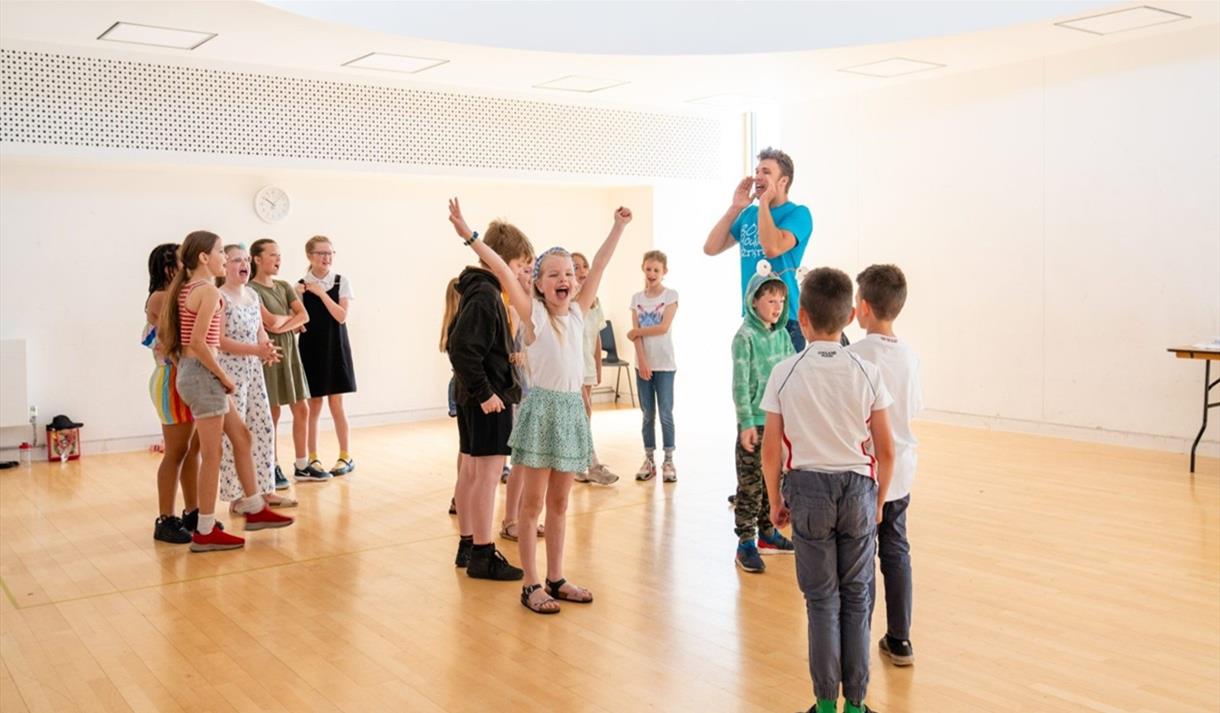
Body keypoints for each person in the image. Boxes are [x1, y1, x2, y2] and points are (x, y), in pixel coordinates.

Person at [449, 197, 631, 614]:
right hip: (542, 413)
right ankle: (531, 584)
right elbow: (498, 266)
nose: (564, 279)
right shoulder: (532, 315)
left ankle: (556, 577)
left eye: (569, 274)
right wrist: (470, 235)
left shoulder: (580, 312)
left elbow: (599, 265)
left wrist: (618, 228)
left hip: (570, 413)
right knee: (531, 506)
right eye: (553, 274)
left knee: (561, 505)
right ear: (539, 284)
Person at [761, 267, 894, 713]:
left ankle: (824, 703)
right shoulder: (868, 370)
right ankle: (856, 705)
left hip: (808, 491)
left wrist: (778, 502)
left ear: (801, 317)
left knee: (821, 602)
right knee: (857, 599)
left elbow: (770, 452)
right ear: (852, 315)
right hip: (858, 491)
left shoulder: (784, 371)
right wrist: (878, 502)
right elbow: (886, 450)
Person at [158, 231, 294, 552]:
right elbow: (199, 343)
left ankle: (254, 506)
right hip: (205, 376)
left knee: (243, 436)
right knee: (213, 454)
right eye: (221, 252)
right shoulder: (207, 292)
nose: (225, 257)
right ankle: (205, 530)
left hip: (200, 375)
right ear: (204, 258)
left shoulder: (191, 288)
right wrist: (224, 377)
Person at [446, 209, 534, 581]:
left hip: (478, 396)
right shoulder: (485, 294)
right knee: (485, 474)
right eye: (521, 265)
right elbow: (462, 347)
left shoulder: (479, 290)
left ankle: (468, 544)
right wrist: (485, 393)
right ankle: (482, 552)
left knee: (471, 470)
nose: (523, 273)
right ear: (500, 261)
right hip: (487, 398)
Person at [846, 264, 922, 668]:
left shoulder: (856, 355)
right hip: (903, 471)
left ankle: (858, 640)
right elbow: (913, 410)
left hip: (866, 472)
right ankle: (900, 639)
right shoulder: (910, 356)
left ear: (864, 307)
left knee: (861, 557)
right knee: (896, 550)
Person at [704, 147, 813, 352]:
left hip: (785, 321)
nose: (758, 177)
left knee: (782, 385)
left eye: (766, 172)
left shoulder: (799, 214)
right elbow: (711, 247)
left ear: (783, 181)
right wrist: (736, 207)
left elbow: (772, 247)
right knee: (752, 384)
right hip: (752, 318)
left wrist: (763, 203)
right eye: (757, 171)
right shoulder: (748, 214)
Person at [217, 244, 295, 509]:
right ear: (224, 265)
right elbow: (220, 341)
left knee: (263, 426)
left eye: (246, 260)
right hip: (230, 374)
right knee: (234, 436)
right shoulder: (220, 297)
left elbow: (260, 329)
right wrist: (255, 349)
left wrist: (266, 349)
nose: (244, 264)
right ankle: (237, 497)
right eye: (237, 260)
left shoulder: (251, 294)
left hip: (254, 370)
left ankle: (265, 490)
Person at [729, 270, 796, 573]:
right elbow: (740, 384)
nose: (777, 306)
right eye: (771, 300)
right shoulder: (744, 338)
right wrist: (745, 423)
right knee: (750, 486)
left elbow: (795, 371)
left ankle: (768, 535)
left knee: (774, 481)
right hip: (754, 423)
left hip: (777, 423)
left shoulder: (782, 336)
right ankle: (745, 542)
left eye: (781, 300)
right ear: (754, 301)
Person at [249, 239, 322, 484]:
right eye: (272, 255)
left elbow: (305, 315)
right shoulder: (251, 290)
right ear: (257, 259)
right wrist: (290, 323)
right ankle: (272, 466)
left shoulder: (283, 286)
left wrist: (284, 324)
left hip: (291, 354)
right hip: (270, 355)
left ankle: (302, 465)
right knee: (272, 413)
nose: (278, 259)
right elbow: (268, 321)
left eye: (279, 254)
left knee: (302, 408)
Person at [144, 242, 200, 543]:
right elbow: (179, 340)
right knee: (176, 451)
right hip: (171, 379)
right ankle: (165, 518)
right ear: (170, 268)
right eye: (183, 262)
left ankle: (193, 510)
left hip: (184, 377)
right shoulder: (161, 298)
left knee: (192, 450)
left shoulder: (177, 295)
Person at [296, 235, 356, 477]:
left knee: (336, 403)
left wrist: (321, 294)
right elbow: (299, 323)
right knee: (314, 405)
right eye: (321, 253)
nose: (327, 257)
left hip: (336, 346)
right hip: (311, 348)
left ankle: (345, 456)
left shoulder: (341, 281)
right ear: (310, 256)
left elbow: (341, 316)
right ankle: (312, 458)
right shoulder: (298, 285)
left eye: (330, 253)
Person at [628, 251, 678, 482]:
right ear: (642, 269)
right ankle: (649, 459)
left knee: (665, 413)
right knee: (648, 414)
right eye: (648, 269)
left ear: (664, 272)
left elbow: (663, 327)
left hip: (665, 365)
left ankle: (669, 460)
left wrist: (637, 331)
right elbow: (636, 339)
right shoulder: (636, 298)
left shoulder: (671, 296)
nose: (652, 274)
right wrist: (643, 362)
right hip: (644, 366)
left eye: (656, 270)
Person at [570, 251, 618, 486]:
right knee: (583, 412)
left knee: (584, 418)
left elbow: (596, 338)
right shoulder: (568, 302)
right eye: (575, 267)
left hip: (587, 365)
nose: (581, 272)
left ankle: (579, 466)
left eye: (583, 266)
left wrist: (598, 367)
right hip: (571, 368)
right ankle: (593, 464)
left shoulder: (595, 301)